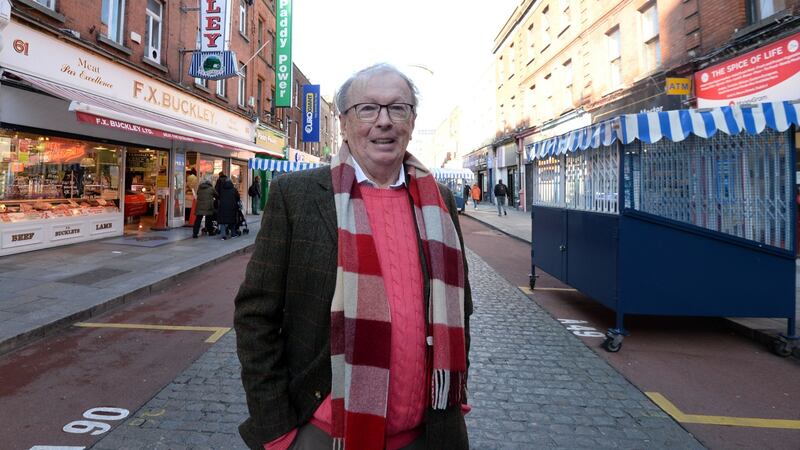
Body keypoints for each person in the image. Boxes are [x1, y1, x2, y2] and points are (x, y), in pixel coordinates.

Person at [234, 63, 472, 450]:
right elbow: (255, 316)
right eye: (367, 109)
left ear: (412, 121)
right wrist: (277, 429)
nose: (384, 122)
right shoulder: (297, 196)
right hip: (324, 432)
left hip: (428, 433)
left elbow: (461, 308)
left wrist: (453, 392)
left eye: (398, 108)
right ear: (344, 122)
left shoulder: (439, 201)